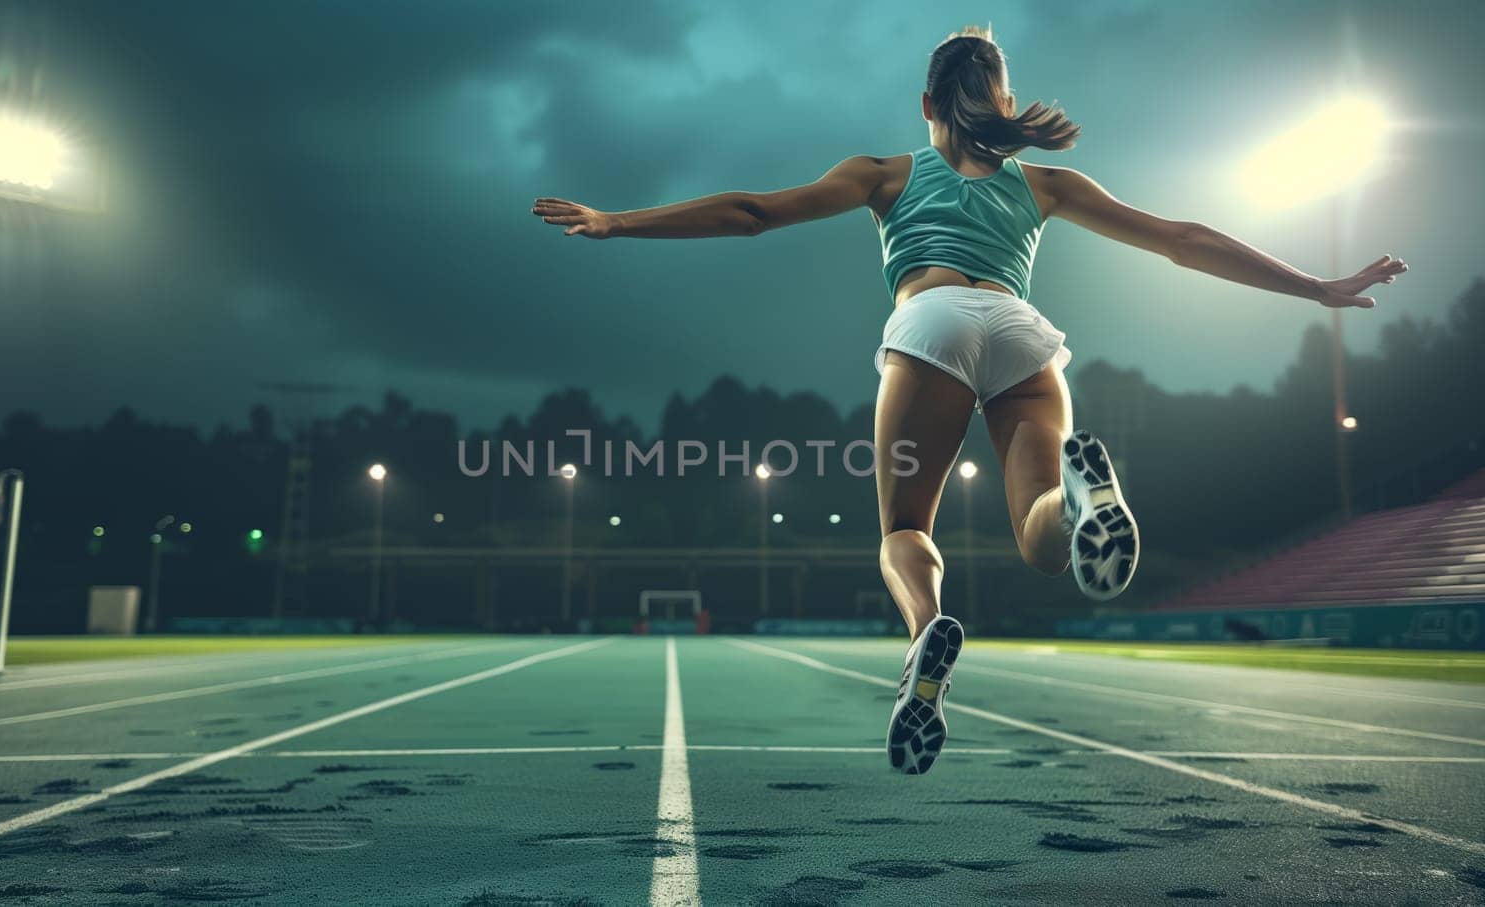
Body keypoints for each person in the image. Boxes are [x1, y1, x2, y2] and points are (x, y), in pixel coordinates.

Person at [530, 26, 1407, 775]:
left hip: (932, 319)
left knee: (905, 531)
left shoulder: (880, 171)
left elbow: (754, 211)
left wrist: (618, 221)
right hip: (1025, 333)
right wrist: (1317, 287)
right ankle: (1081, 494)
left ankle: (926, 636)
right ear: (1000, 100)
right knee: (1042, 539)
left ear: (926, 104)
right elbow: (1182, 241)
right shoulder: (1047, 186)